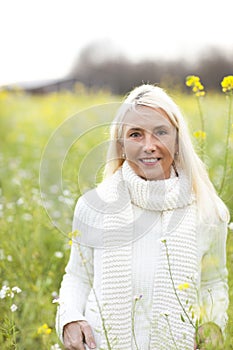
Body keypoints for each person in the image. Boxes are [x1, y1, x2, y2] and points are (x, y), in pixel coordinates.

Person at [56, 84, 229, 350]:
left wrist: (213, 324)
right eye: (136, 134)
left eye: (161, 132)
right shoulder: (93, 206)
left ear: (177, 139)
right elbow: (78, 277)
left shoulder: (209, 211)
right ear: (121, 144)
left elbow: (213, 282)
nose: (149, 146)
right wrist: (70, 319)